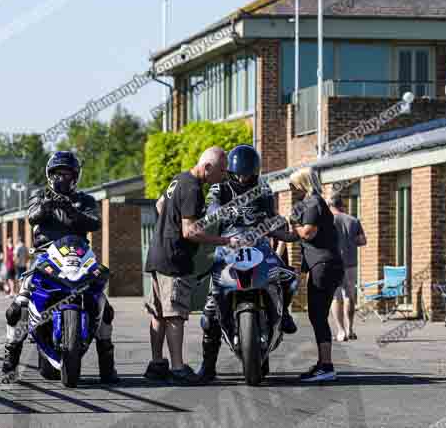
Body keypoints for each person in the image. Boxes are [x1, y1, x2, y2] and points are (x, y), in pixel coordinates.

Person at [1, 151, 119, 384]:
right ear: (50, 175)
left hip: (79, 254)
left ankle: (108, 365)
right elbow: (32, 216)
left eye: (67, 173)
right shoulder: (40, 195)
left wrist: (71, 210)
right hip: (45, 255)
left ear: (75, 176)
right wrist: (47, 204)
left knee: (104, 306)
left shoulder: (85, 200)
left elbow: (94, 222)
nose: (62, 178)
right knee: (19, 305)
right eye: (57, 174)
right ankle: (9, 361)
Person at [197, 144, 300, 383]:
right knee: (210, 312)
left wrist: (280, 227)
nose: (244, 178)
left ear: (255, 171)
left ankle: (283, 313)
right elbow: (211, 209)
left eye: (248, 173)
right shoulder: (219, 187)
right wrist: (219, 213)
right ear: (231, 171)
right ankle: (208, 365)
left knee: (288, 276)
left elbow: (271, 213)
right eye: (239, 173)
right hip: (227, 247)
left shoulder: (262, 188)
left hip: (258, 245)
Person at [143, 147, 239, 384]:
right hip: (175, 260)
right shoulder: (194, 188)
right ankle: (177, 368)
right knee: (175, 315)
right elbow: (189, 231)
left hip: (157, 254)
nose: (224, 176)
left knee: (159, 314)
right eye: (221, 171)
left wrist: (168, 227)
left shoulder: (178, 179)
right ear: (207, 168)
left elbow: (159, 206)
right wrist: (224, 240)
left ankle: (157, 364)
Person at [287, 167, 342, 382]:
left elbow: (308, 232)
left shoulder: (313, 203)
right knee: (317, 315)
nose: (292, 189)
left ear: (302, 183)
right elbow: (301, 235)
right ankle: (323, 363)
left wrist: (294, 223)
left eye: (294, 184)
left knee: (318, 315)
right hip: (324, 264)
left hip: (323, 265)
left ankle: (326, 366)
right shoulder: (315, 203)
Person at [327, 194, 367, 342]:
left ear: (330, 206)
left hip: (332, 263)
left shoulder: (327, 221)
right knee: (349, 295)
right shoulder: (353, 220)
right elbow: (362, 241)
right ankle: (350, 329)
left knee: (335, 297)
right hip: (350, 263)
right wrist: (350, 240)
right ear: (342, 205)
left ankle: (341, 331)